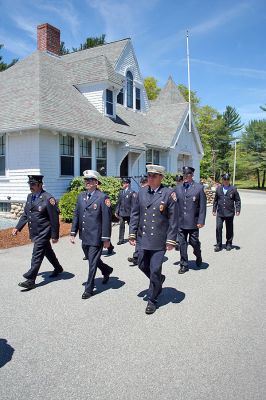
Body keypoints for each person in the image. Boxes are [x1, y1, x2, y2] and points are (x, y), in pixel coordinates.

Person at [129, 165, 177, 314]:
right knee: (142, 265)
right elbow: (135, 214)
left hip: (159, 239)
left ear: (161, 177)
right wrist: (132, 233)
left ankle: (152, 299)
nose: (150, 178)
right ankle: (158, 281)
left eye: (154, 176)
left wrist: (171, 239)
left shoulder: (168, 194)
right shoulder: (141, 192)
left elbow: (174, 219)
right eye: (149, 175)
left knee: (155, 269)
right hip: (143, 238)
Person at [12, 175, 63, 290]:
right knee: (47, 251)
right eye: (30, 184)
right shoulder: (30, 196)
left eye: (33, 184)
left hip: (44, 232)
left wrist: (55, 235)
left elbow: (54, 218)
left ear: (40, 184)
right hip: (34, 231)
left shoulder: (48, 198)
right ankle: (58, 268)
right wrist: (17, 227)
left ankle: (31, 279)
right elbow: (26, 214)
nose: (31, 186)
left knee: (37, 254)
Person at [70, 170, 113, 299]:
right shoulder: (81, 196)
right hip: (85, 236)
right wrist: (73, 232)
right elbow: (77, 215)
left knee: (92, 263)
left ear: (96, 182)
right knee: (91, 258)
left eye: (89, 180)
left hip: (96, 236)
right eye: (86, 180)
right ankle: (106, 270)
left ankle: (89, 289)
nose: (87, 182)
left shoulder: (102, 197)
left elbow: (106, 219)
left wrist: (106, 238)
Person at [175, 166, 207, 274]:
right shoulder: (178, 188)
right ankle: (184, 264)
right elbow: (173, 202)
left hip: (193, 222)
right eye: (184, 175)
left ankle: (198, 254)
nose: (185, 177)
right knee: (182, 244)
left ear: (192, 175)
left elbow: (202, 206)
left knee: (194, 242)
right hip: (181, 222)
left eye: (187, 175)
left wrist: (201, 221)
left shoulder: (198, 188)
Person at [212, 173, 241, 251]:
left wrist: (238, 210)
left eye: (227, 179)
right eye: (224, 179)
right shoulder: (218, 189)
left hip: (229, 213)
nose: (226, 181)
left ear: (229, 180)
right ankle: (219, 244)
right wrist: (214, 210)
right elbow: (215, 200)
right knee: (218, 228)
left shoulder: (233, 189)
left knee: (229, 229)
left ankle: (229, 243)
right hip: (220, 213)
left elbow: (237, 200)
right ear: (222, 180)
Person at [128, 175, 148, 266]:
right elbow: (135, 211)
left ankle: (143, 257)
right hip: (140, 223)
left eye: (144, 183)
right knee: (139, 241)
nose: (142, 185)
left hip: (149, 223)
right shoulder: (139, 193)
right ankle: (136, 257)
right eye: (142, 183)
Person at [115, 178, 135, 245]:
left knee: (131, 226)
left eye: (124, 183)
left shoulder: (132, 192)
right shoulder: (121, 192)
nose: (122, 184)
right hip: (122, 212)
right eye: (122, 183)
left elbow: (133, 204)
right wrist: (116, 211)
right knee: (121, 226)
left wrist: (133, 213)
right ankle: (121, 240)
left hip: (129, 213)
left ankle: (132, 238)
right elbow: (119, 203)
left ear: (127, 184)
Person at [174, 174, 183, 251]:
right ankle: (177, 241)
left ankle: (180, 242)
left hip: (183, 211)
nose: (178, 182)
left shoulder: (185, 188)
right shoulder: (174, 189)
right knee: (177, 226)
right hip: (176, 210)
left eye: (179, 181)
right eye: (177, 181)